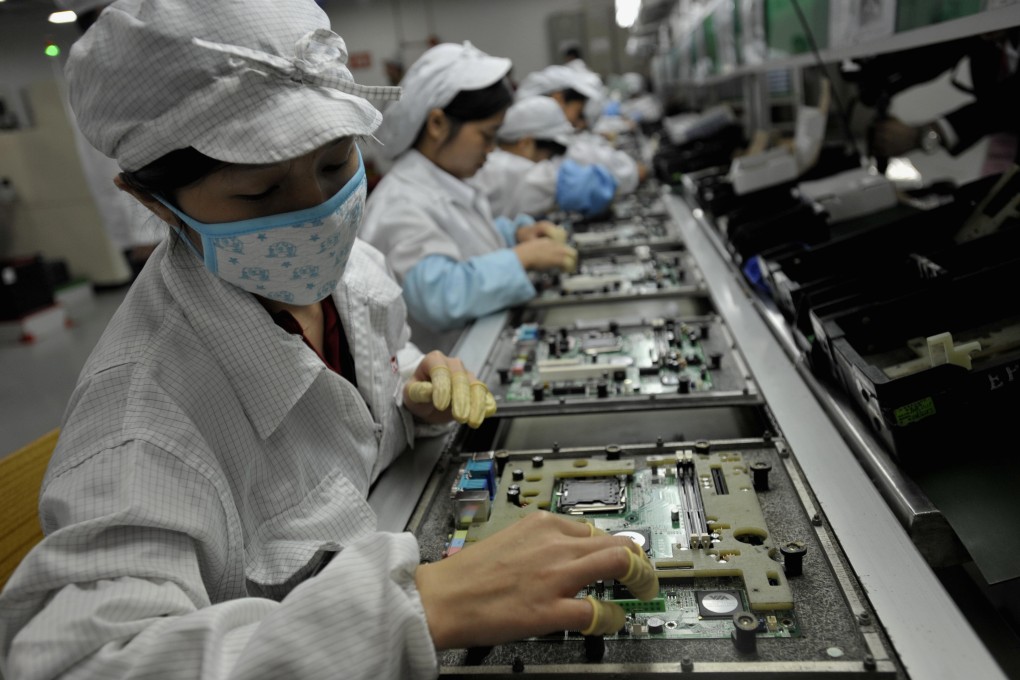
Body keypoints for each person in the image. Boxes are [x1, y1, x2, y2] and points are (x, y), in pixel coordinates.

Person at [0, 3, 657, 680]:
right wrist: (406, 610)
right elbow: (79, 663)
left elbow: (350, 407)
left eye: (337, 162)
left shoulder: (351, 269)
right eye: (259, 191)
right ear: (152, 202)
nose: (315, 211)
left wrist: (411, 397)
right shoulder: (139, 425)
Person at [359, 42, 578, 354]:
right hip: (443, 367)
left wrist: (514, 235)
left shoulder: (445, 181)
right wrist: (522, 258)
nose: (491, 150)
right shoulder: (401, 202)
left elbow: (462, 242)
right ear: (437, 124)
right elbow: (439, 295)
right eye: (487, 137)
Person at [55, 0, 161, 280]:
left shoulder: (88, 69)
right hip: (156, 233)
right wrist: (142, 234)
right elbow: (113, 162)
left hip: (153, 226)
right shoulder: (107, 70)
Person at [866, 29, 1020, 177]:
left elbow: (1007, 103)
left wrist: (925, 134)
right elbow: (941, 53)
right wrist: (883, 74)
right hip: (1003, 142)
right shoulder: (992, 33)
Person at [469, 95, 617, 219]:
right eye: (548, 156)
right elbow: (567, 184)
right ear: (525, 143)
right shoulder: (504, 170)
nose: (547, 164)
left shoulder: (498, 164)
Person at [516, 64, 647, 195]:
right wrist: (629, 172)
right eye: (579, 113)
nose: (580, 124)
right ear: (558, 98)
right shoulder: (537, 132)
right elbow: (576, 155)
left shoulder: (539, 126)